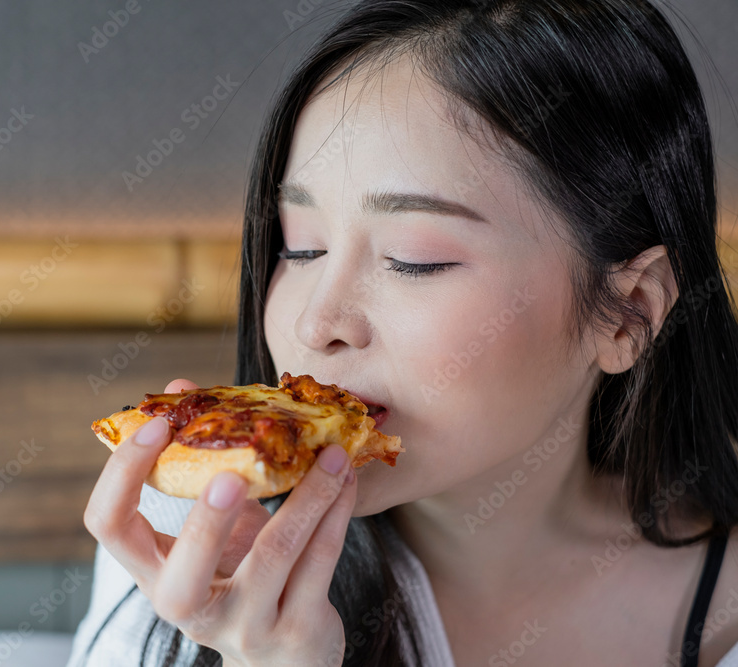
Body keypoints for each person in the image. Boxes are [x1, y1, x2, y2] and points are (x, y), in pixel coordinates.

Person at [69, 0, 738, 664]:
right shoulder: (182, 554)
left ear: (629, 313)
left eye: (415, 258)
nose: (315, 322)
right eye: (299, 247)